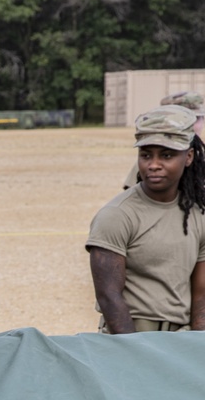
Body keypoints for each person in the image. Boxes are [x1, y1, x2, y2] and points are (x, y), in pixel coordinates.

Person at [87, 106, 205, 334]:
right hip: (129, 337)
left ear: (188, 157)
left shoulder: (198, 215)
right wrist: (135, 353)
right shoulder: (116, 215)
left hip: (180, 341)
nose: (154, 164)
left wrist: (198, 348)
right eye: (146, 155)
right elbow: (109, 297)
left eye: (167, 155)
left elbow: (201, 294)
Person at [122, 92, 204, 191]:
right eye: (180, 120)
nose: (191, 125)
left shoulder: (201, 156)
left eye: (197, 118)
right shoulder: (150, 161)